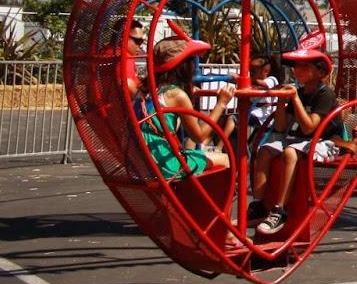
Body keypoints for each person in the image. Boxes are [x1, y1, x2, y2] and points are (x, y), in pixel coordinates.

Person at [251, 37, 345, 236]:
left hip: (326, 142)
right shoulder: (300, 92)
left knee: (290, 153)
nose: (297, 70)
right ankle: (259, 204)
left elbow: (310, 127)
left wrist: (294, 99)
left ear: (320, 72)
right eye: (296, 66)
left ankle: (280, 209)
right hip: (302, 140)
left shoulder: (324, 95)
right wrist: (280, 101)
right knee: (265, 150)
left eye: (304, 66)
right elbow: (280, 126)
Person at [136, 37, 235, 179]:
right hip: (164, 163)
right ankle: (206, 200)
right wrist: (221, 103)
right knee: (225, 159)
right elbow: (199, 136)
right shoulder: (176, 95)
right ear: (183, 65)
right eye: (191, 61)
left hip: (142, 160)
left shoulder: (145, 89)